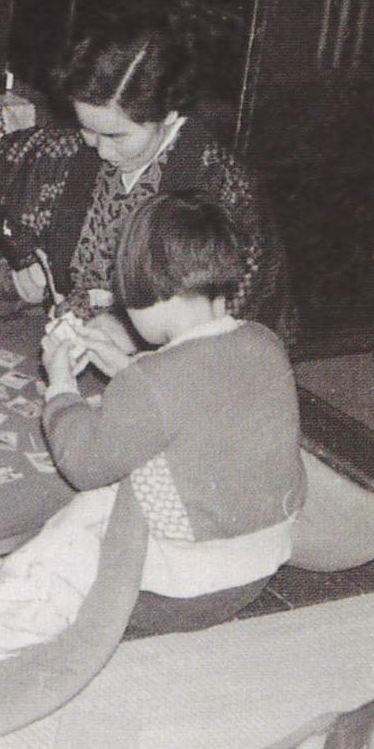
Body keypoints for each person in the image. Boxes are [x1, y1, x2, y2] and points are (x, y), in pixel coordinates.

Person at [41, 192, 306, 633]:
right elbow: (197, 394)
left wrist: (61, 386)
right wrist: (127, 368)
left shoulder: (150, 381)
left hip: (177, 592)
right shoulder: (264, 341)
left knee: (55, 548)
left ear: (149, 289)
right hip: (260, 569)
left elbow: (83, 464)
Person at [0, 24, 295, 349]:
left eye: (117, 136)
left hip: (171, 359)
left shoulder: (222, 187)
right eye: (88, 129)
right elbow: (4, 170)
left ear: (169, 114)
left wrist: (131, 332)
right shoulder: (68, 150)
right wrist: (28, 262)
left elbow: (233, 316)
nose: (101, 150)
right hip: (69, 337)